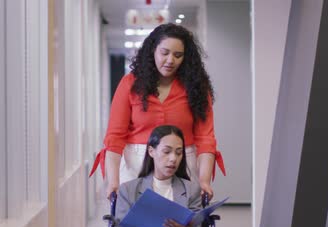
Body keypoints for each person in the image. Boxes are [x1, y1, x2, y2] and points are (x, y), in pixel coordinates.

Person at [90, 23, 226, 200]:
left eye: (178, 55)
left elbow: (206, 138)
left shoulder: (197, 87)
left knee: (178, 224)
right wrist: (113, 182)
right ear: (153, 50)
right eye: (164, 53)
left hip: (181, 161)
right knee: (137, 223)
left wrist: (204, 180)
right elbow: (115, 137)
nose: (170, 60)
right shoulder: (130, 83)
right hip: (137, 164)